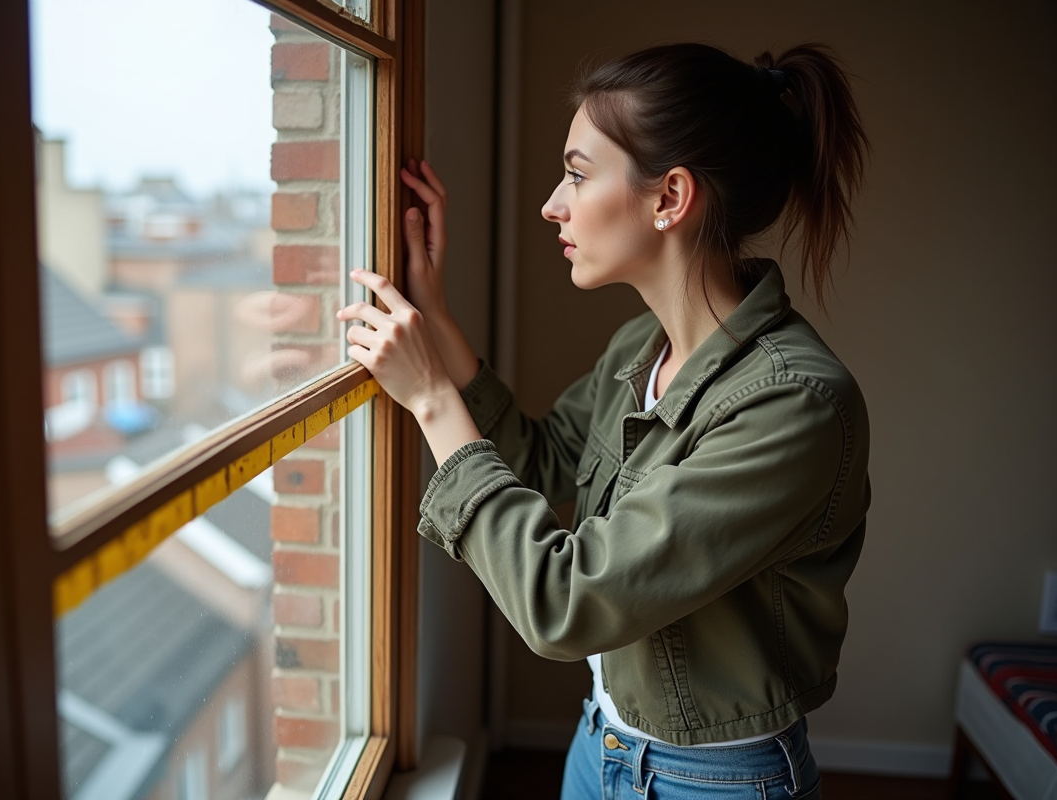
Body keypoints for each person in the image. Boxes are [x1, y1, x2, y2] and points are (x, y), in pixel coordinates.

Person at [337, 41, 870, 800]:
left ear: (669, 198)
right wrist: (438, 317)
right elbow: (546, 459)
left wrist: (431, 401)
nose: (553, 203)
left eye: (579, 174)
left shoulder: (794, 406)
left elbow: (568, 603)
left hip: (713, 782)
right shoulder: (640, 345)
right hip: (600, 745)